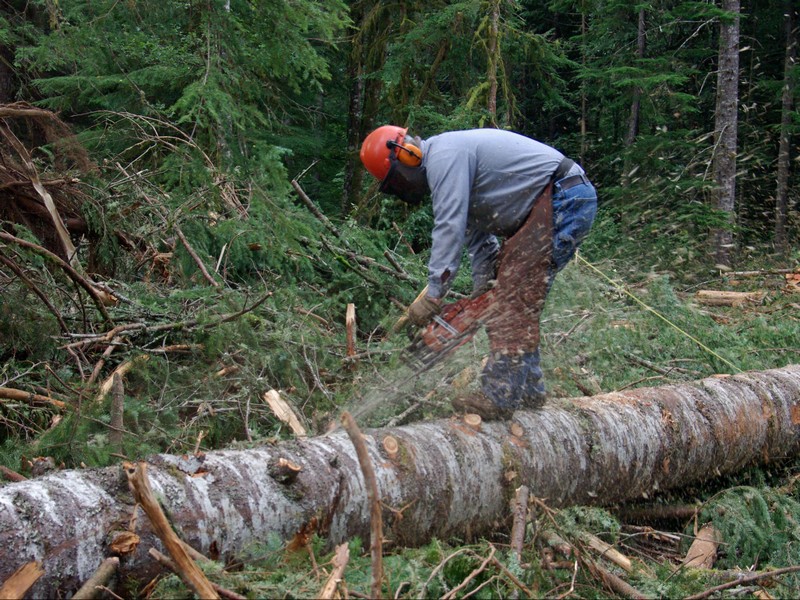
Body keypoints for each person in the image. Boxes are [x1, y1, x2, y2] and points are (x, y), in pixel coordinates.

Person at [360, 125, 597, 419]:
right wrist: (484, 291)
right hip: (550, 202)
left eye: (396, 180)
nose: (402, 188)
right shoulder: (453, 169)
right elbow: (480, 242)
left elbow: (449, 227)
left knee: (514, 299)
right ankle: (529, 390)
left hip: (563, 196)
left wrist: (434, 294)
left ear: (407, 154)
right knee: (511, 297)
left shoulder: (444, 157)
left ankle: (501, 395)